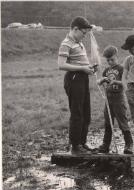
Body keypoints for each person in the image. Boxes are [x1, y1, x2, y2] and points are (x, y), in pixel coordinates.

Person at [58, 16, 96, 155]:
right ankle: (75, 146)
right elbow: (61, 65)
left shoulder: (79, 42)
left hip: (83, 78)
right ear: (75, 29)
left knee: (86, 113)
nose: (84, 36)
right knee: (77, 113)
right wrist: (82, 69)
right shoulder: (66, 43)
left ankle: (82, 142)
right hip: (74, 79)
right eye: (83, 33)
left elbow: (80, 62)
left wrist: (90, 67)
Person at [96, 46, 134, 154]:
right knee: (108, 123)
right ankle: (105, 145)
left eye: (112, 59)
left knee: (123, 122)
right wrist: (101, 80)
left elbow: (126, 83)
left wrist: (116, 82)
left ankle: (129, 145)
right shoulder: (106, 70)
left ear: (117, 57)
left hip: (119, 99)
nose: (110, 62)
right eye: (108, 60)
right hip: (108, 100)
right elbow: (99, 82)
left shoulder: (122, 69)